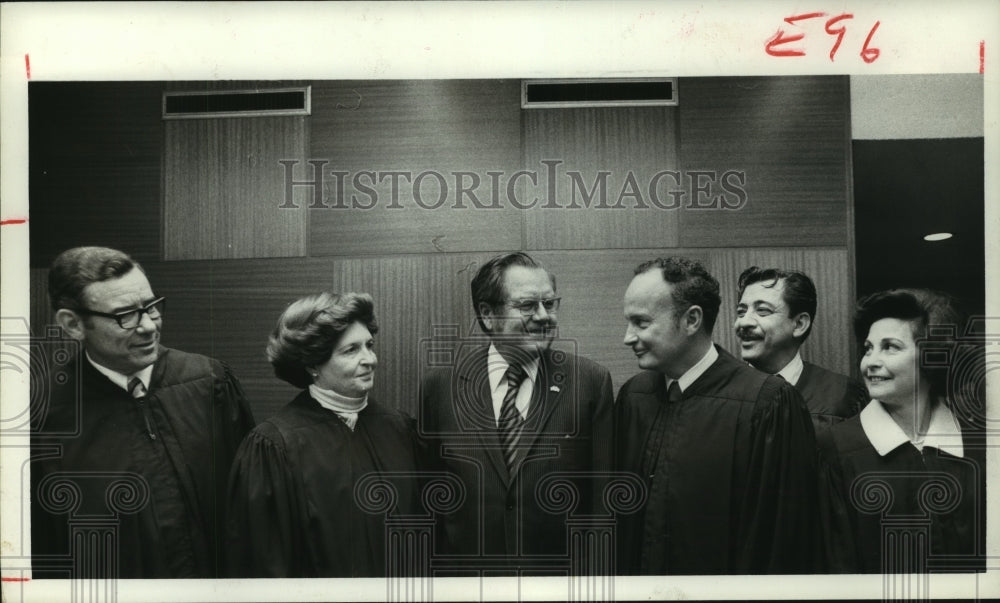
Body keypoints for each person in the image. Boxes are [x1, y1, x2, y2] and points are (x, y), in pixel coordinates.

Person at [31, 246, 255, 578]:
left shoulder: (210, 383)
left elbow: (251, 510)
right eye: (126, 315)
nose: (149, 326)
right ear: (73, 324)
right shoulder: (44, 417)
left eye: (151, 307)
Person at [616, 257, 817, 575]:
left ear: (691, 320)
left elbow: (779, 541)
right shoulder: (634, 397)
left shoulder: (766, 403)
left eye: (641, 323)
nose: (628, 337)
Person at [420, 252, 615, 570]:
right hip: (468, 583)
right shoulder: (440, 388)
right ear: (487, 314)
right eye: (527, 305)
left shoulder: (590, 382)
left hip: (558, 584)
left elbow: (602, 506)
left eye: (549, 303)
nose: (544, 316)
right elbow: (430, 499)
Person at [225, 292, 425, 577]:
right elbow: (265, 565)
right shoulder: (274, 446)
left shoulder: (399, 429)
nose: (369, 359)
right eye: (351, 350)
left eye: (369, 345)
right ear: (312, 364)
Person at [818, 289, 985, 573]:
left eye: (890, 347)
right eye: (868, 348)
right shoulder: (835, 448)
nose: (870, 361)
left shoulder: (977, 447)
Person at [734, 266, 868, 431]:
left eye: (762, 311)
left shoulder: (844, 396)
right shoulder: (719, 394)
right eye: (741, 312)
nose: (743, 322)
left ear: (799, 324)